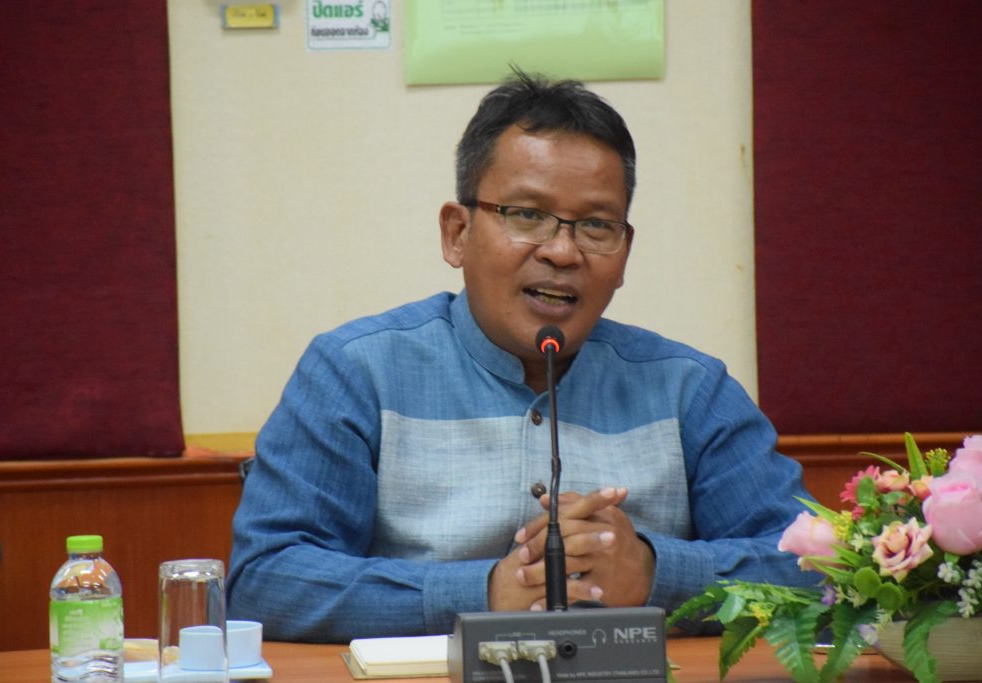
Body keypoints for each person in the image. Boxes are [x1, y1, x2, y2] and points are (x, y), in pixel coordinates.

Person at [226, 70, 817, 642]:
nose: (562, 251)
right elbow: (266, 580)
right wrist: (487, 592)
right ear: (457, 233)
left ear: (624, 251)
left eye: (595, 225)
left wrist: (653, 573)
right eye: (527, 215)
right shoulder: (355, 373)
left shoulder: (689, 389)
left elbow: (820, 568)